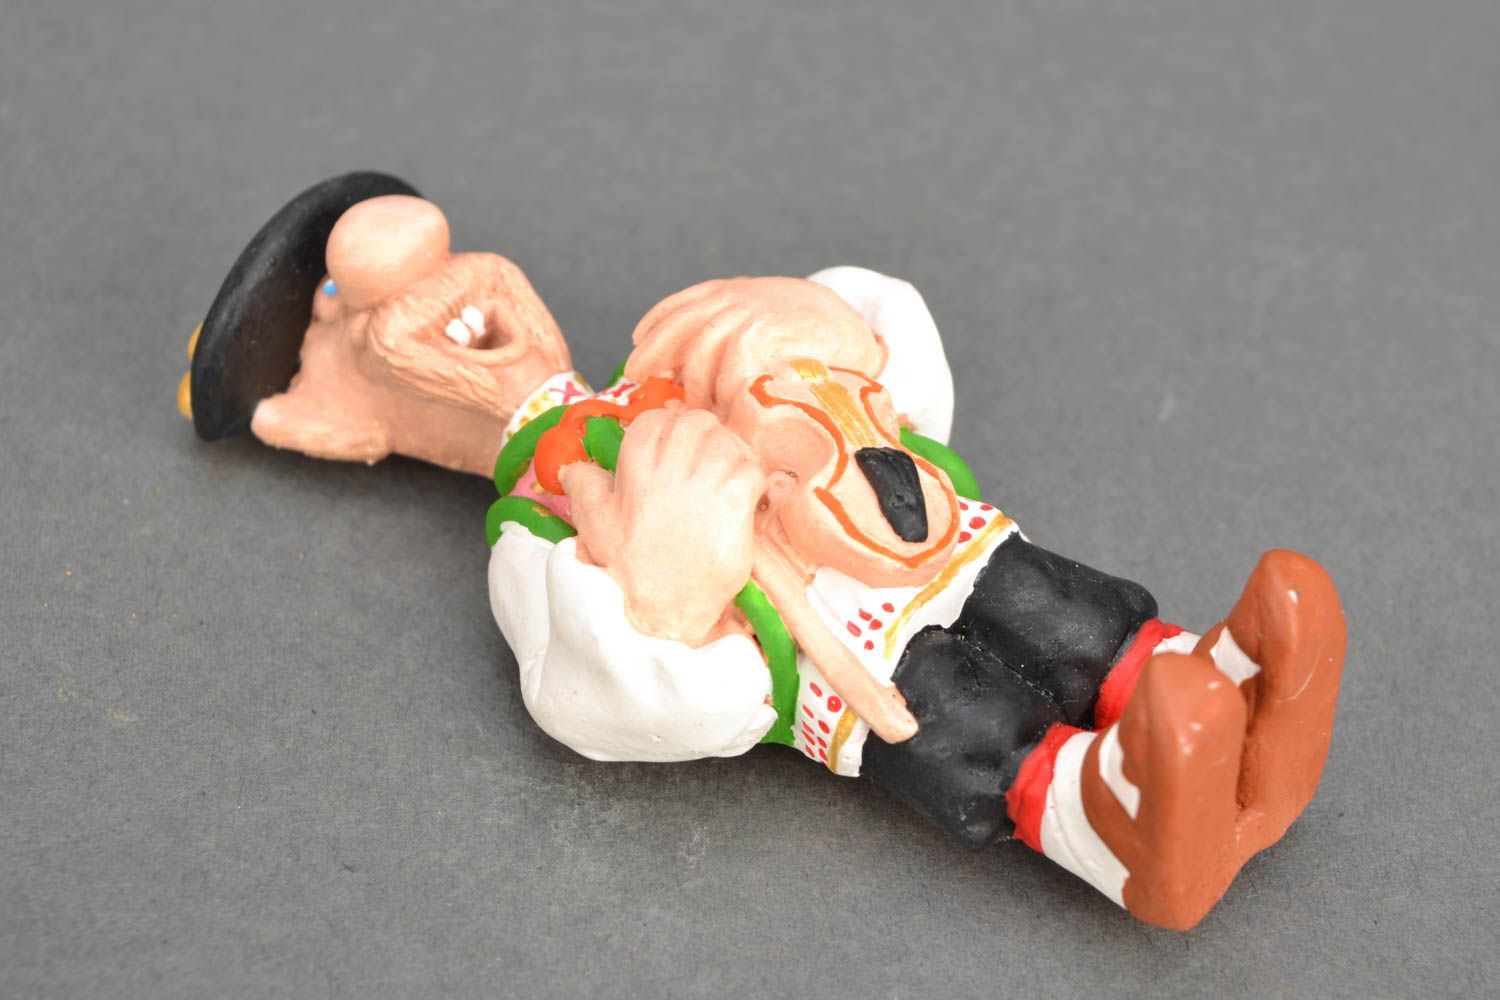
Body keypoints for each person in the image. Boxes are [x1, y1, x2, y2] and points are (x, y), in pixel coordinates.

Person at [183, 181, 1346, 931]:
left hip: (931, 541)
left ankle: (1220, 683)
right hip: (839, 656)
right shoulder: (535, 531)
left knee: (1059, 608)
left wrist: (790, 331)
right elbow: (585, 696)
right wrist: (669, 589)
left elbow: (884, 354)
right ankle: (1128, 822)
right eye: (339, 309)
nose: (408, 263)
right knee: (970, 731)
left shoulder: (665, 358)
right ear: (330, 426)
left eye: (417, 237)